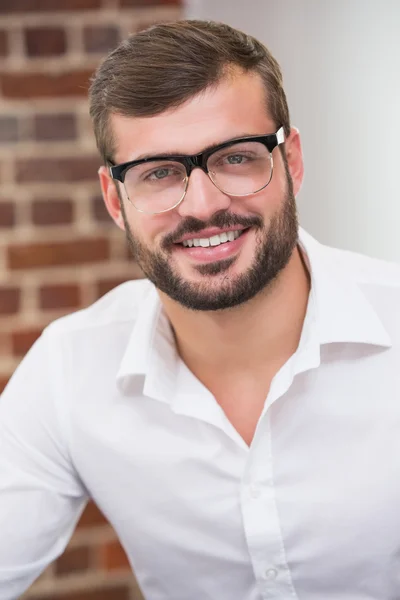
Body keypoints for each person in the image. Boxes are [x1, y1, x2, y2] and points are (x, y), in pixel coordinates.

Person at [1, 18, 400, 600]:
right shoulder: (69, 368)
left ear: (290, 161)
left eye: (236, 158)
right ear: (116, 199)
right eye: (159, 173)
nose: (205, 205)